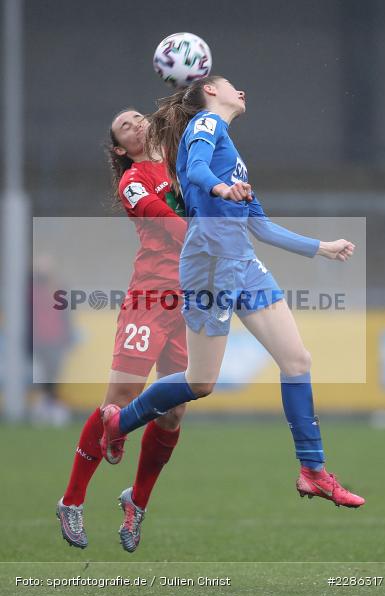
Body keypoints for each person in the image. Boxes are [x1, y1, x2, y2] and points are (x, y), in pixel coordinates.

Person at [101, 76, 365, 511]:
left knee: (297, 360)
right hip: (208, 264)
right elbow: (199, 170)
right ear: (209, 92)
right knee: (200, 382)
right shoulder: (205, 126)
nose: (241, 91)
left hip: (242, 262)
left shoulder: (233, 154)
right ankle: (120, 424)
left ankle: (313, 471)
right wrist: (220, 188)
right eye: (230, 86)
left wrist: (321, 248)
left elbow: (260, 225)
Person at [57, 108, 189, 553]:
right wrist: (216, 239)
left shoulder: (180, 162)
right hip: (151, 298)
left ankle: (137, 501)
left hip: (190, 301)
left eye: (137, 116)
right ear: (119, 148)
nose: (135, 123)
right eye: (123, 126)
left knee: (173, 412)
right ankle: (72, 500)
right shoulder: (132, 180)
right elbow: (170, 225)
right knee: (118, 400)